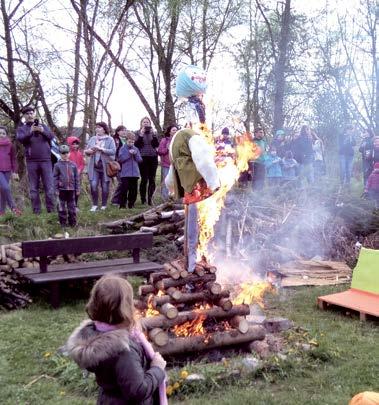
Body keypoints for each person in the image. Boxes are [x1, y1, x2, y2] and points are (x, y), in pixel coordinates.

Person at [65, 274, 167, 405]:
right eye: (130, 301)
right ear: (125, 308)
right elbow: (137, 391)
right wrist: (157, 369)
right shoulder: (123, 350)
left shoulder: (96, 335)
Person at [165, 128, 220, 273]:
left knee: (191, 227)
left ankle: (191, 264)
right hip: (197, 186)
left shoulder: (175, 144)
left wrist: (170, 187)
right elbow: (204, 160)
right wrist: (214, 182)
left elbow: (173, 169)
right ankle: (191, 266)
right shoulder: (192, 137)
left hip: (187, 188)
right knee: (193, 230)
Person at [16, 106, 55, 214]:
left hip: (46, 160)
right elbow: (21, 139)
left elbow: (51, 136)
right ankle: (36, 211)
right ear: (24, 116)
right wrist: (30, 132)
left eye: (31, 113)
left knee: (50, 187)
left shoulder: (43, 126)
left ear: (35, 114)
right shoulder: (22, 128)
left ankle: (51, 211)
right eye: (27, 114)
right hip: (31, 161)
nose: (30, 115)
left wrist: (42, 131)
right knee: (33, 188)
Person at [84, 122, 116, 212]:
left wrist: (102, 149)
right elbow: (86, 151)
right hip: (94, 167)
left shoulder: (110, 139)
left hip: (105, 167)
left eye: (99, 127)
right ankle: (94, 205)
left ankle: (104, 205)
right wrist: (90, 150)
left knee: (105, 187)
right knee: (93, 185)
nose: (97, 129)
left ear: (104, 129)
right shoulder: (92, 139)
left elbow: (113, 151)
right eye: (96, 127)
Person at [135, 117, 159, 206]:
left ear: (150, 123)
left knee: (152, 179)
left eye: (147, 122)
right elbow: (137, 145)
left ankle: (150, 199)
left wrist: (154, 136)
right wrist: (141, 135)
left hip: (153, 157)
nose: (146, 124)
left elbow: (156, 145)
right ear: (141, 123)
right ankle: (143, 199)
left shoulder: (153, 133)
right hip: (142, 158)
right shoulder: (137, 133)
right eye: (144, 122)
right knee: (144, 179)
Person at [53, 145, 80, 227]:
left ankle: (73, 223)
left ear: (69, 153)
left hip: (71, 190)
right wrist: (56, 189)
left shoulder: (73, 165)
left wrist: (77, 188)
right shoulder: (57, 165)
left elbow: (76, 178)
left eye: (67, 153)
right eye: (63, 153)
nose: (65, 155)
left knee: (72, 208)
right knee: (61, 208)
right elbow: (55, 178)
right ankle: (63, 224)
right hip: (61, 190)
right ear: (60, 154)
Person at [0, 126, 21, 216]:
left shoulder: (10, 145)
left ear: (6, 135)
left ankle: (1, 212)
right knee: (6, 188)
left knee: (3, 191)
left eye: (3, 133)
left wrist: (15, 171)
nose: (1, 135)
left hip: (7, 170)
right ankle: (13, 207)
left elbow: (13, 159)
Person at [118, 131, 143, 209]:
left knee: (133, 190)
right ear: (126, 140)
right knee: (124, 189)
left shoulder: (136, 149)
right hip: (125, 173)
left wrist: (135, 154)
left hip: (134, 173)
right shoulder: (122, 148)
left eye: (133, 142)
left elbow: (140, 160)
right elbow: (121, 159)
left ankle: (131, 204)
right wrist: (129, 154)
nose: (131, 143)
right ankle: (122, 205)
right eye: (129, 142)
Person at [158, 125, 177, 201]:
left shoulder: (179, 140)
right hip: (167, 164)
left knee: (176, 182)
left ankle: (175, 198)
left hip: (177, 165)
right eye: (173, 130)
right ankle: (165, 199)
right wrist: (167, 148)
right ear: (169, 132)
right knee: (166, 182)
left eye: (176, 130)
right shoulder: (164, 140)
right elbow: (160, 151)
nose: (175, 131)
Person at [111, 125, 127, 206]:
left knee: (125, 182)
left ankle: (122, 199)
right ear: (118, 132)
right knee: (121, 182)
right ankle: (115, 200)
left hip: (126, 164)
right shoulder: (115, 140)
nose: (124, 132)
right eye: (122, 130)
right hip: (118, 164)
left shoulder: (127, 140)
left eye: (125, 130)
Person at [67, 136, 85, 210]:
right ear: (70, 144)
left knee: (77, 190)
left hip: (78, 175)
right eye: (73, 144)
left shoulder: (80, 153)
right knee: (70, 190)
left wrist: (79, 170)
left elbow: (82, 164)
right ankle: (70, 205)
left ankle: (75, 205)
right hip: (69, 176)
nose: (75, 146)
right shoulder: (68, 154)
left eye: (76, 144)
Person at [338, 125, 356, 189]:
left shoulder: (352, 136)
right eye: (349, 129)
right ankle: (342, 183)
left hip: (350, 155)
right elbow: (342, 144)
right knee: (343, 169)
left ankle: (348, 183)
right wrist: (348, 137)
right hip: (342, 154)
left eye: (351, 130)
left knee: (349, 170)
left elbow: (354, 144)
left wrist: (351, 137)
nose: (350, 131)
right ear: (346, 129)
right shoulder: (341, 135)